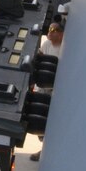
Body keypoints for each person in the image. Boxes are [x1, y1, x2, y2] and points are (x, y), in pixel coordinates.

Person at [30, 20, 65, 161]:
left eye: (53, 30)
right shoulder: (46, 44)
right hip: (43, 89)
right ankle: (44, 148)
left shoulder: (64, 48)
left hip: (55, 90)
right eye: (49, 29)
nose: (49, 32)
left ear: (61, 34)